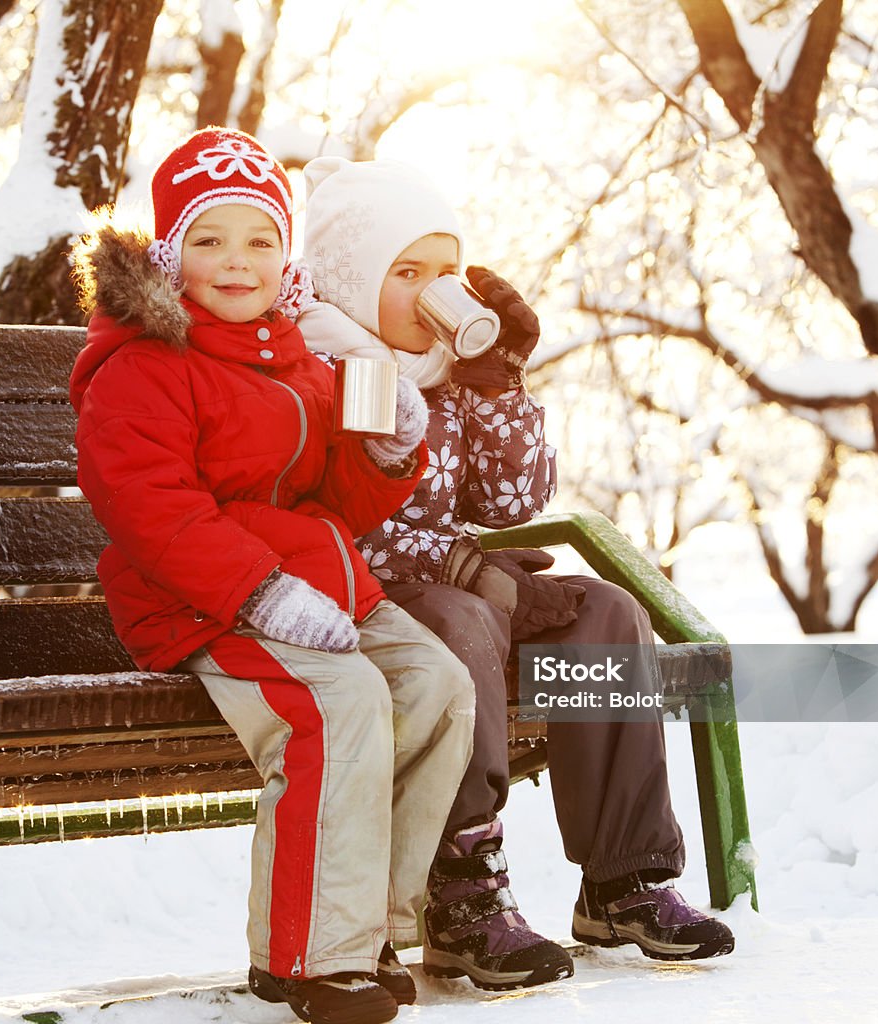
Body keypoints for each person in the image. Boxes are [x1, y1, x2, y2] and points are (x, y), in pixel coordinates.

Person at [296, 156, 735, 993]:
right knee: (460, 623)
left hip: (458, 592)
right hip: (357, 609)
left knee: (605, 611)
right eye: (407, 272)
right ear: (351, 279)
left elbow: (511, 499)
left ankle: (624, 876)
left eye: (447, 272)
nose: (435, 292)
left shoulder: (446, 373)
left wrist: (499, 385)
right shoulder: (333, 367)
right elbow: (340, 523)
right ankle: (461, 894)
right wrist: (475, 573)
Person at [68, 128, 476, 1024]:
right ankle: (309, 958)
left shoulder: (292, 355)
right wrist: (263, 593)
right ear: (172, 255)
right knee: (337, 704)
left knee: (436, 685)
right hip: (203, 600)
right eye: (210, 240)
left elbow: (336, 499)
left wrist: (390, 449)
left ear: (284, 256)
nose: (237, 262)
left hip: (313, 585)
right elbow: (153, 510)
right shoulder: (141, 365)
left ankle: (363, 930)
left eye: (259, 240)